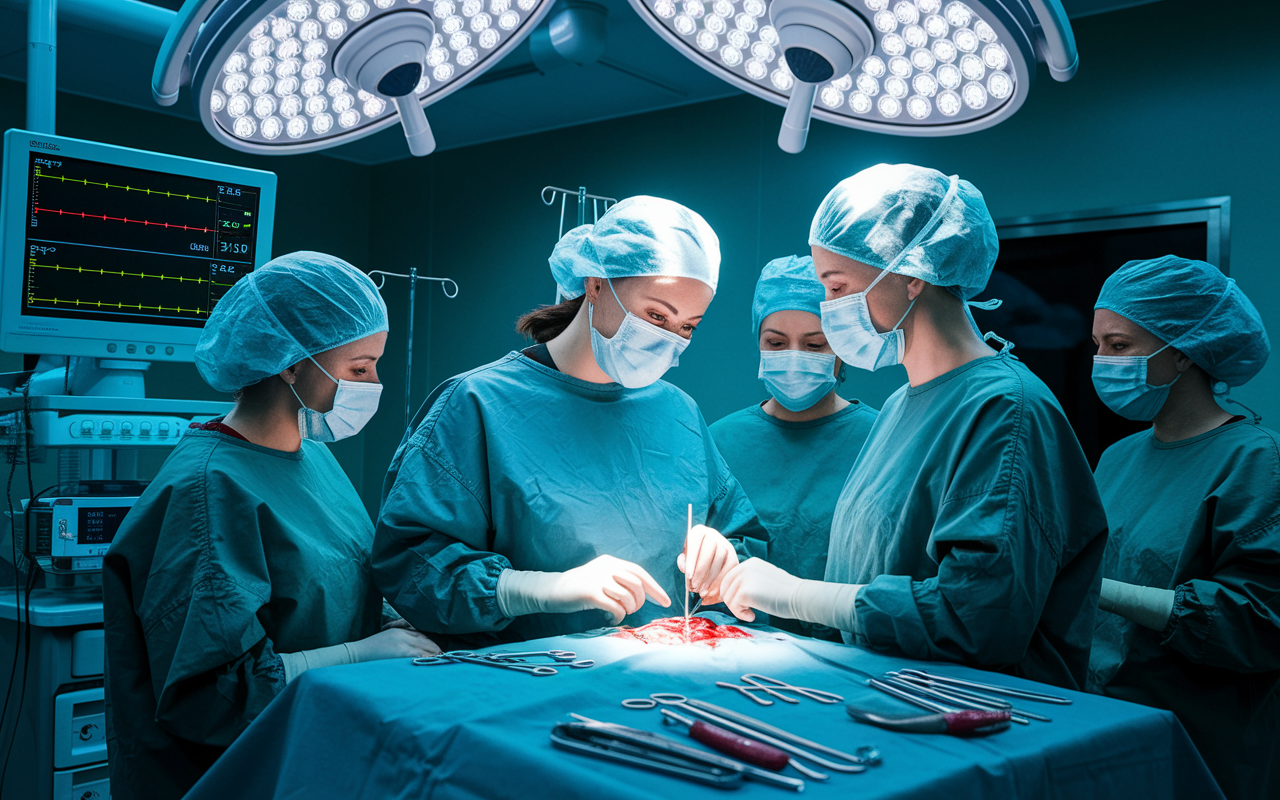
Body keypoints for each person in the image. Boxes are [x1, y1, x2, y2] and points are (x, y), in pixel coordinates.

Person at [721, 164, 1108, 690]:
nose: (829, 309)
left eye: (836, 287)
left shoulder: (1005, 411)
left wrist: (794, 595)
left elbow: (977, 622)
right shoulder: (904, 405)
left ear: (912, 275)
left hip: (980, 722)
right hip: (881, 697)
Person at [103, 252, 440, 800]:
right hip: (230, 776)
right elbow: (210, 698)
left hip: (312, 750)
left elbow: (338, 580)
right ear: (291, 362)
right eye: (359, 367)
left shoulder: (314, 458)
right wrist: (361, 655)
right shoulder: (207, 489)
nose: (374, 384)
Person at [373, 197, 768, 645]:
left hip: (656, 684)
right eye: (655, 315)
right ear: (596, 285)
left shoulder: (679, 413)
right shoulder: (476, 404)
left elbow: (741, 534)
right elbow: (412, 563)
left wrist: (725, 557)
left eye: (687, 327)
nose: (667, 339)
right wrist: (534, 591)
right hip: (520, 685)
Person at [1087, 255, 1280, 800]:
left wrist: (1106, 592)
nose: (1102, 361)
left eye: (1120, 346)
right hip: (1106, 719)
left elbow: (1261, 623)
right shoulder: (1117, 458)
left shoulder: (1257, 462)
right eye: (1097, 345)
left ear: (1183, 352)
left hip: (1203, 740)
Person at [709, 255, 877, 639]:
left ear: (843, 349)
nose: (794, 357)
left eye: (815, 344)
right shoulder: (720, 440)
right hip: (737, 652)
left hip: (852, 653)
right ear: (759, 344)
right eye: (776, 343)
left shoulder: (882, 440)